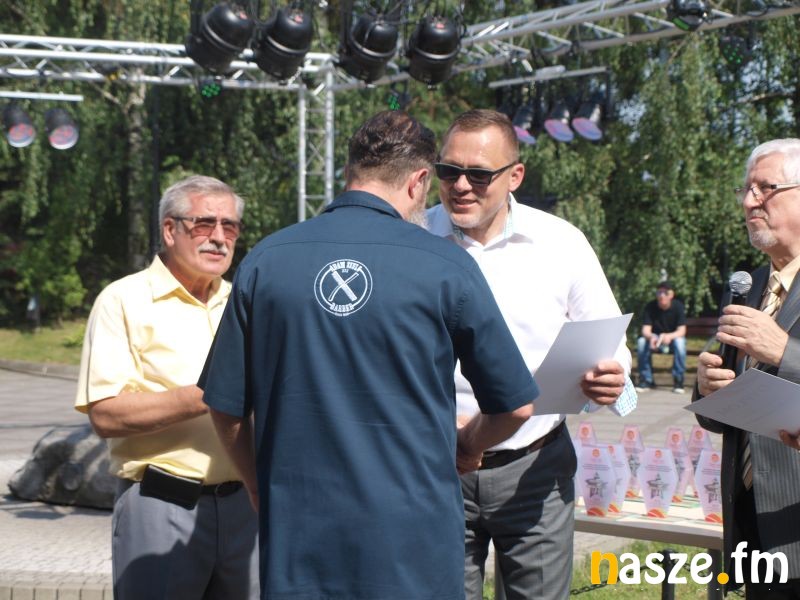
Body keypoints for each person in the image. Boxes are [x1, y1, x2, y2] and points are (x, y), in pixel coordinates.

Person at [199, 110, 539, 600]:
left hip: (300, 539)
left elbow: (226, 405)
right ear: (419, 181)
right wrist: (468, 444)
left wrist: (257, 484)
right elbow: (515, 406)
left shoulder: (266, 261)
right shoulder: (447, 266)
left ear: (348, 172)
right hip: (413, 545)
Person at [426, 108, 637, 600]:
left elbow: (610, 346)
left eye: (479, 175)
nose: (461, 186)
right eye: (449, 171)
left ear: (515, 175)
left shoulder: (561, 243)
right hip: (434, 466)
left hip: (534, 469)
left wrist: (613, 379)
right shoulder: (411, 236)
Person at [75, 175, 259, 599]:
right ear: (169, 230)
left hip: (245, 507)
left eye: (230, 226)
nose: (219, 238)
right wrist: (208, 395)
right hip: (162, 504)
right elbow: (105, 415)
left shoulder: (245, 301)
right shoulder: (123, 301)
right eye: (204, 224)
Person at [694, 138, 800, 597]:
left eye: (765, 188)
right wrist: (707, 389)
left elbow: (780, 356)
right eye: (746, 189)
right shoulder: (746, 286)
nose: (749, 201)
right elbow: (723, 415)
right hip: (752, 522)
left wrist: (784, 351)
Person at [635, 281, 687, 394]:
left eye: (665, 293)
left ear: (671, 295)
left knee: (680, 343)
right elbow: (645, 330)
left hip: (672, 340)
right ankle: (646, 379)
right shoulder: (650, 306)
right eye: (659, 292)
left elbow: (682, 331)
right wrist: (651, 337)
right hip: (655, 341)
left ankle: (679, 380)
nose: (662, 296)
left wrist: (670, 336)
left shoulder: (678, 306)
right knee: (641, 342)